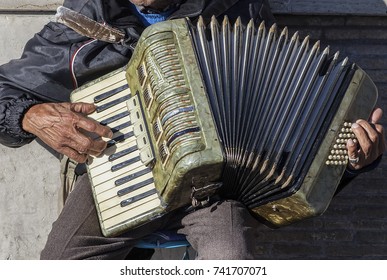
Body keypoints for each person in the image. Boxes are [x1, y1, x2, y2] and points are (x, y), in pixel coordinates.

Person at [0, 0, 384, 260]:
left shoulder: (235, 9)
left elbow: (292, 123)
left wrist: (350, 161)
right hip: (120, 167)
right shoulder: (87, 21)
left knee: (229, 259)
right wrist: (29, 115)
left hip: (214, 185)